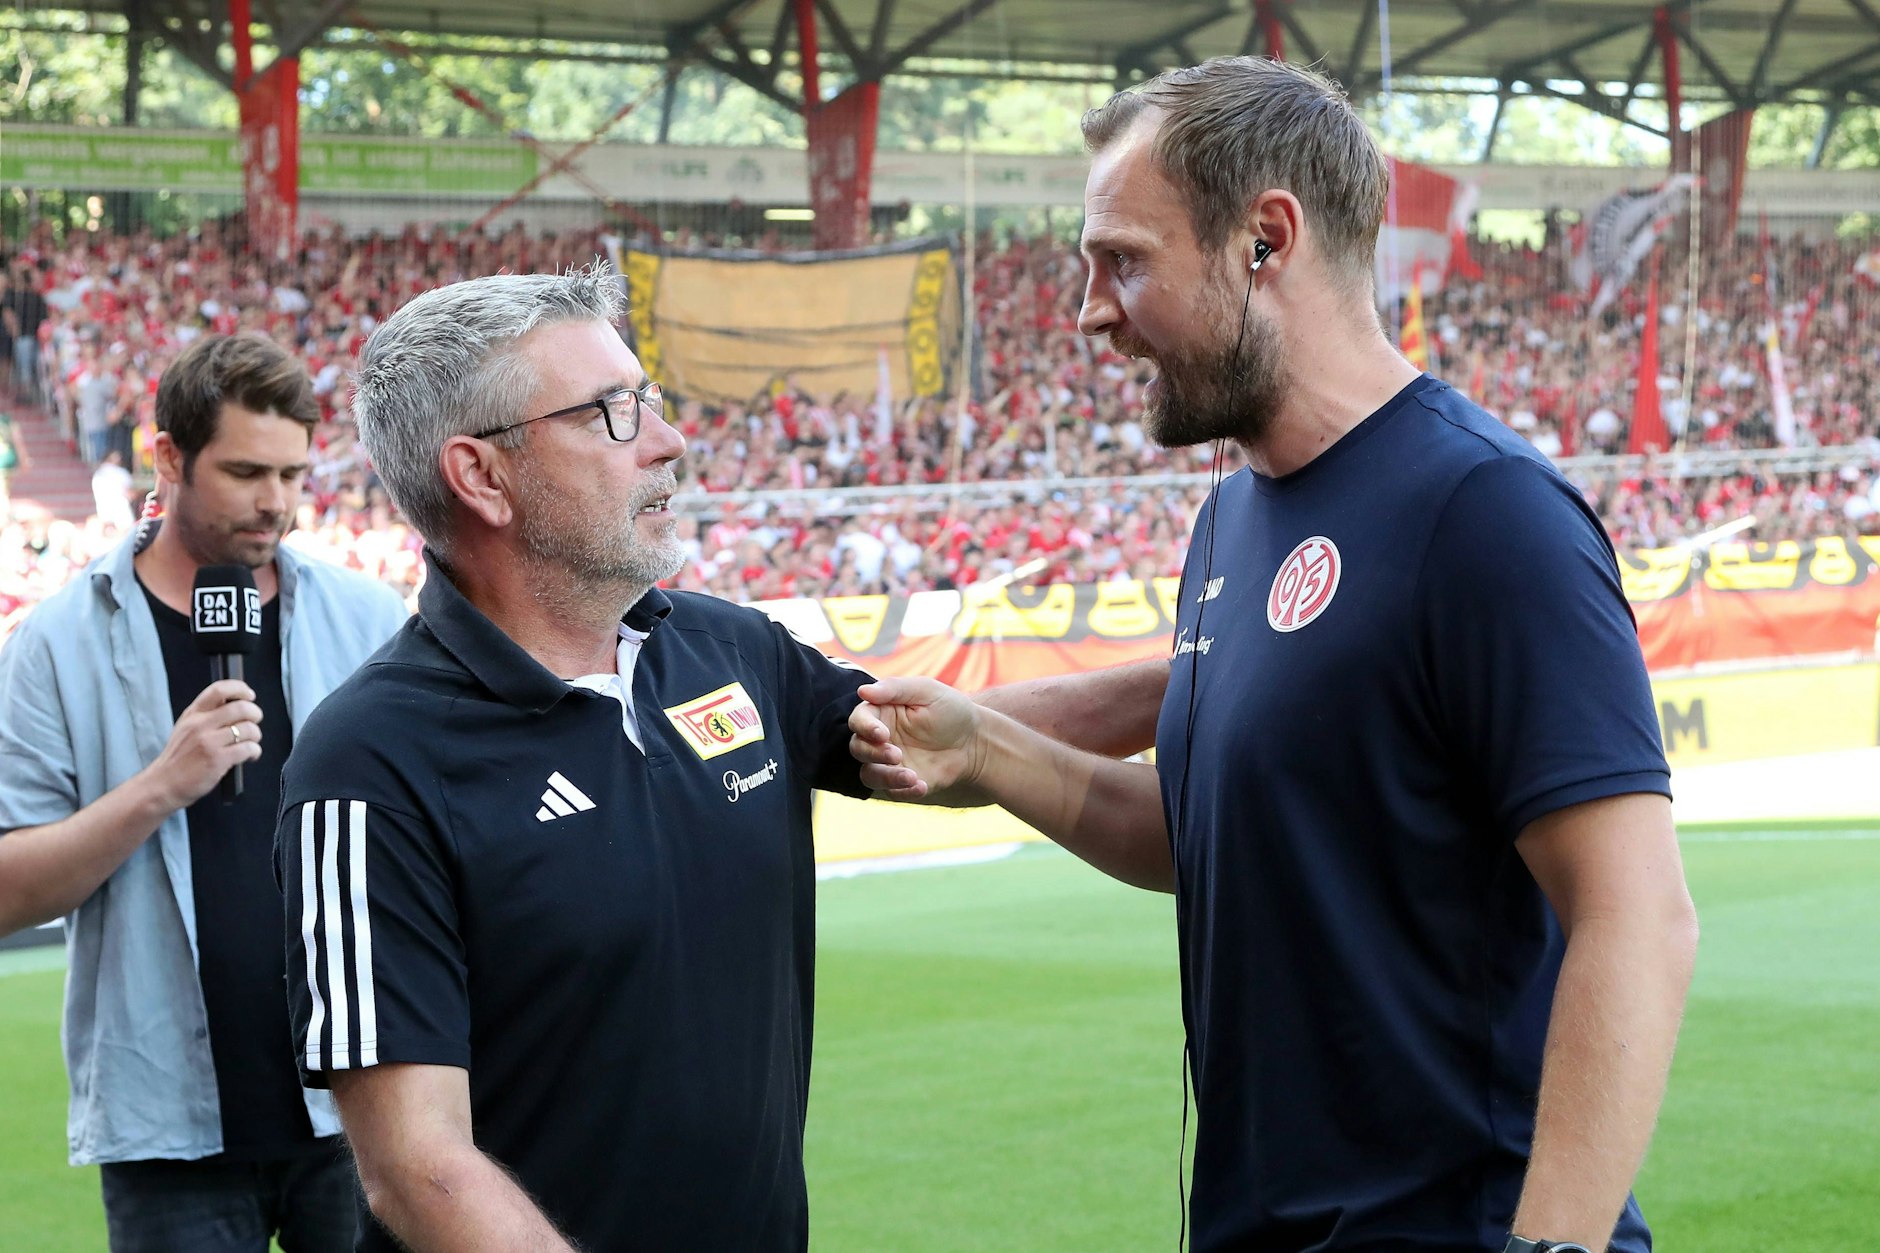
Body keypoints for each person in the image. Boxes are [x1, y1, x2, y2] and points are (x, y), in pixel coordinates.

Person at [850, 57, 1698, 1253]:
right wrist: (984, 746)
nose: (1089, 309)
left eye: (1123, 260)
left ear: (1264, 238)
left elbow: (1635, 912)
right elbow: (1212, 828)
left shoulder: (1484, 511)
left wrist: (1550, 1246)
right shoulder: (1231, 513)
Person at [275, 264, 877, 1252]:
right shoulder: (368, 762)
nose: (669, 440)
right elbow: (418, 1170)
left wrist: (1203, 676)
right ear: (481, 476)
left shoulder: (727, 649)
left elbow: (957, 736)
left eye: (647, 400)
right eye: (612, 411)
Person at [0, 333, 408, 1252]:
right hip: (167, 1132)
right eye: (246, 471)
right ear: (169, 457)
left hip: (363, 1107)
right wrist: (160, 785)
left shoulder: (371, 620)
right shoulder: (53, 644)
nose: (277, 502)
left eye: (294, 474)